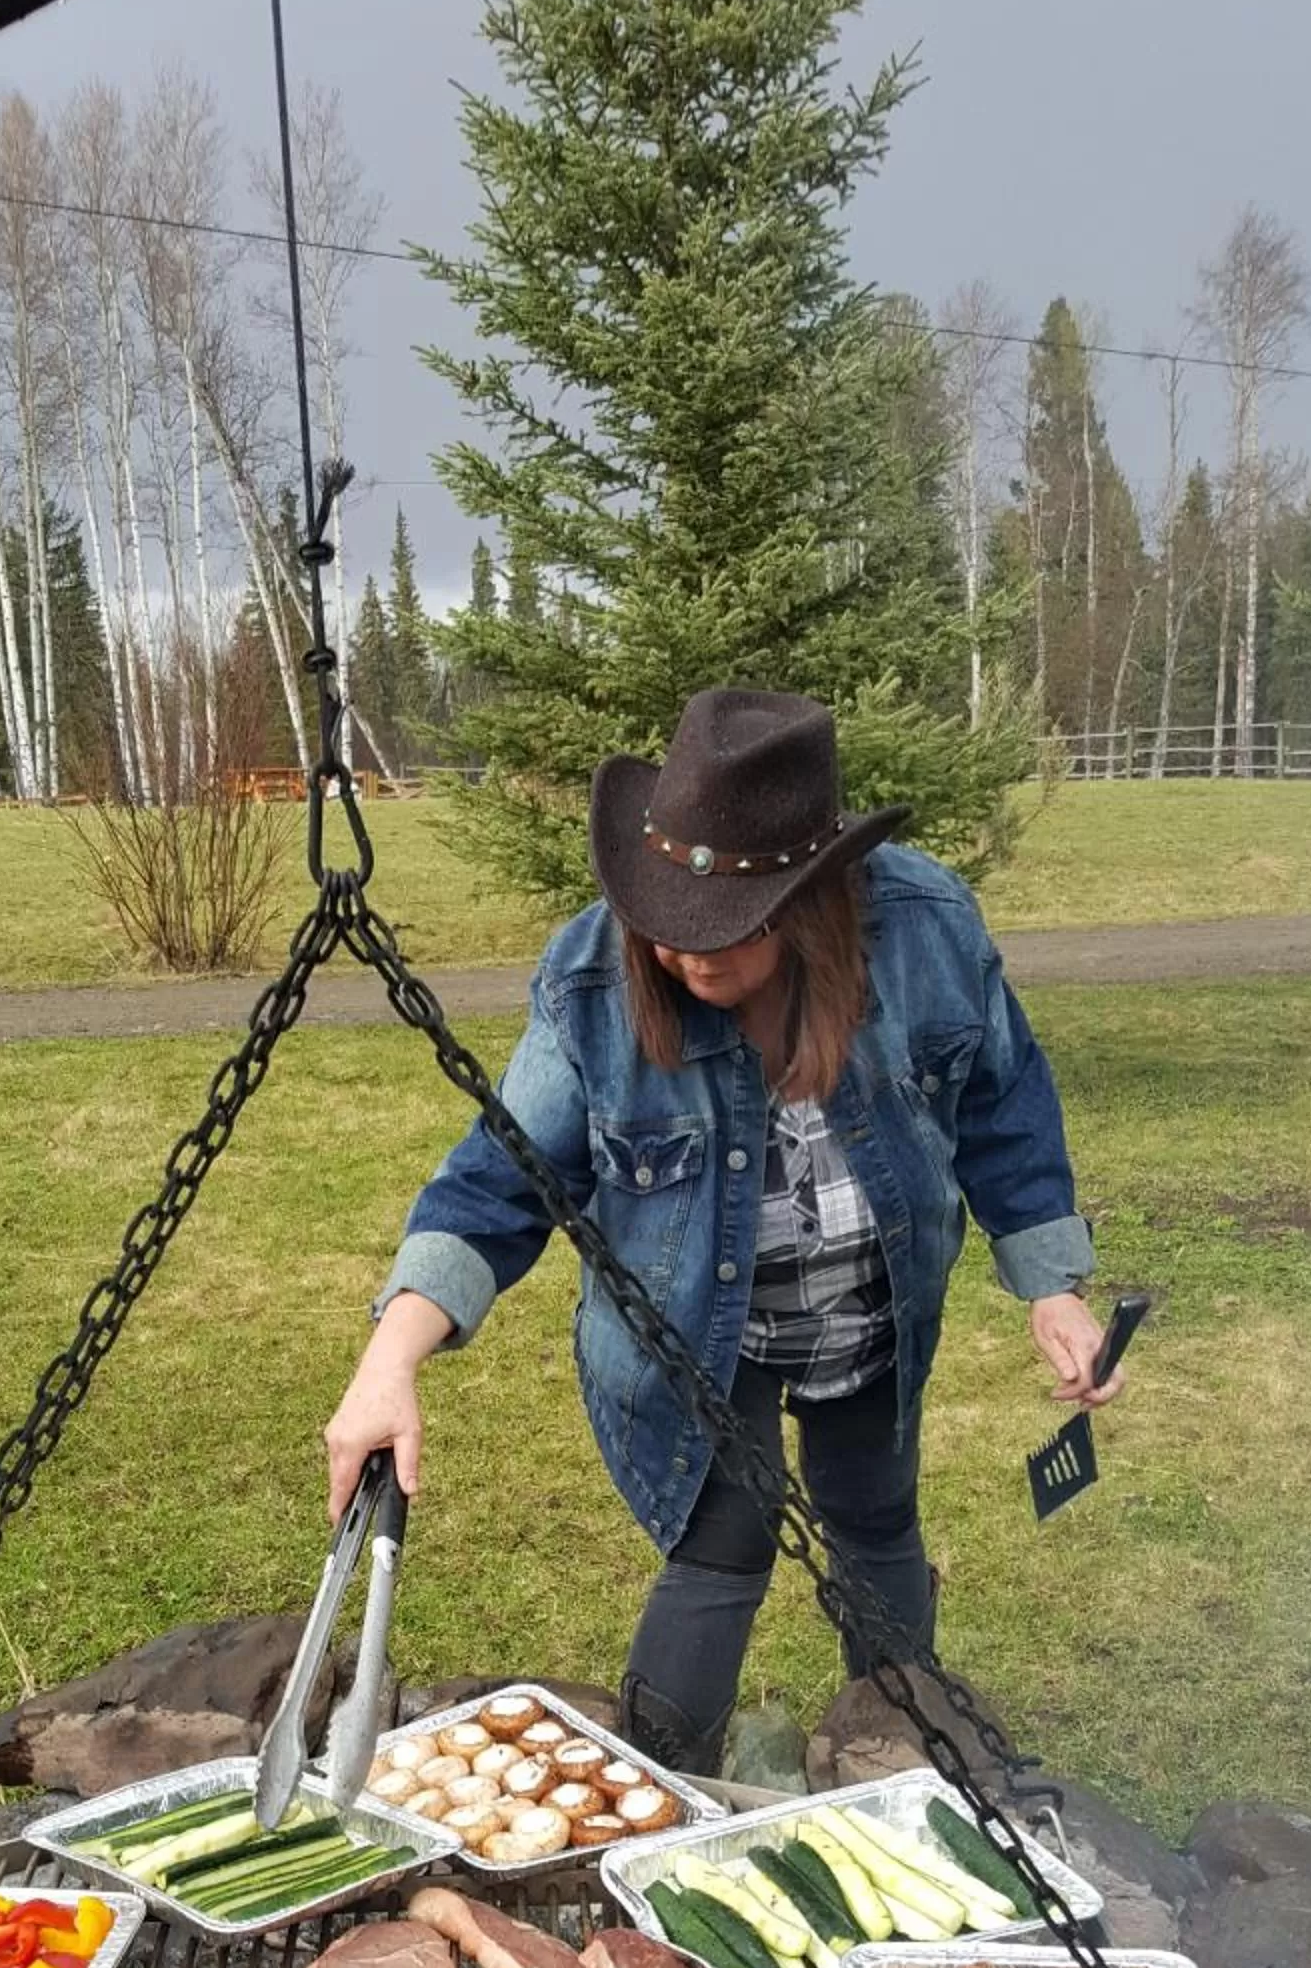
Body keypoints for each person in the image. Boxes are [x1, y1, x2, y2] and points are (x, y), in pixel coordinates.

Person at [324, 690, 1124, 1777]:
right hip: (693, 1334)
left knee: (874, 1520)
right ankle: (660, 1785)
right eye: (664, 916)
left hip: (868, 1314)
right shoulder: (592, 985)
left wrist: (1050, 1285)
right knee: (725, 1538)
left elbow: (1001, 1103)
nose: (680, 954)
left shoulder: (926, 933)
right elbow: (496, 1184)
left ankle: (896, 1761)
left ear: (813, 902)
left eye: (723, 926)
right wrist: (389, 1358)